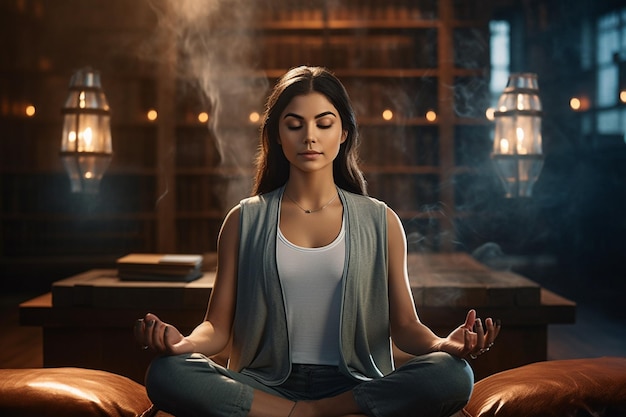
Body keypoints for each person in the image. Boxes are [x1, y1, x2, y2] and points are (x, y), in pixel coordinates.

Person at [134, 66, 501, 417]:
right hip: (263, 383)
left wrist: (442, 345)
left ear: (343, 133)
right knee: (167, 373)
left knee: (454, 374)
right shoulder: (244, 219)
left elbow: (405, 326)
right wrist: (183, 344)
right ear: (277, 135)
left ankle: (314, 411)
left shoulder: (380, 220)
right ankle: (301, 411)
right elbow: (216, 328)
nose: (309, 136)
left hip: (353, 383)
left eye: (324, 123)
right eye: (294, 125)